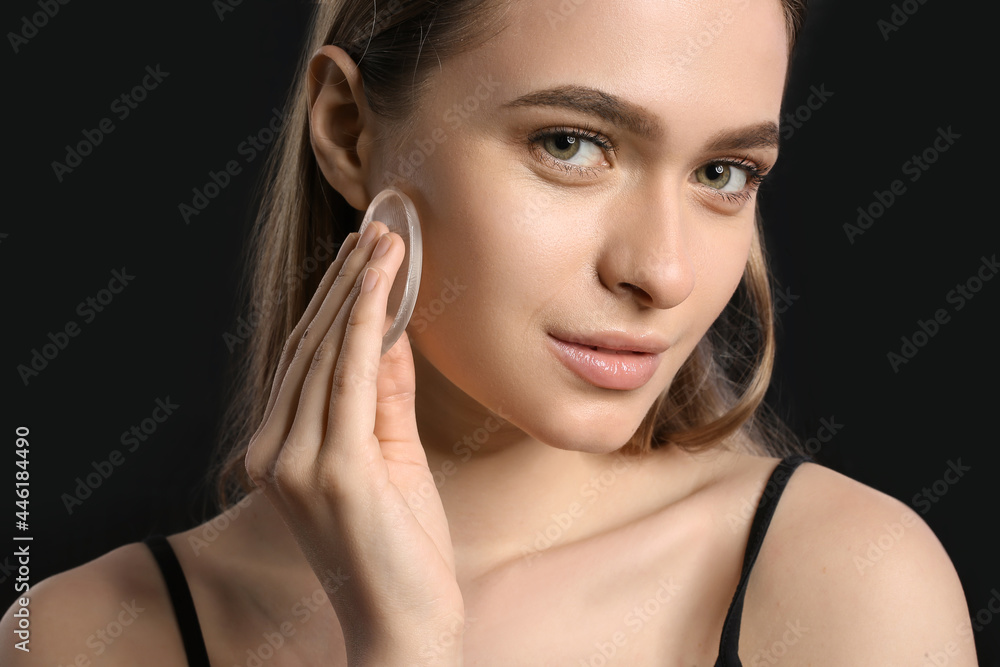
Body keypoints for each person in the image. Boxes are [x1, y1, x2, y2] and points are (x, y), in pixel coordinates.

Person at [2, 0, 979, 664]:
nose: (663, 271)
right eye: (571, 144)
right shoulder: (80, 637)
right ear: (348, 130)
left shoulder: (847, 582)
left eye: (723, 173)